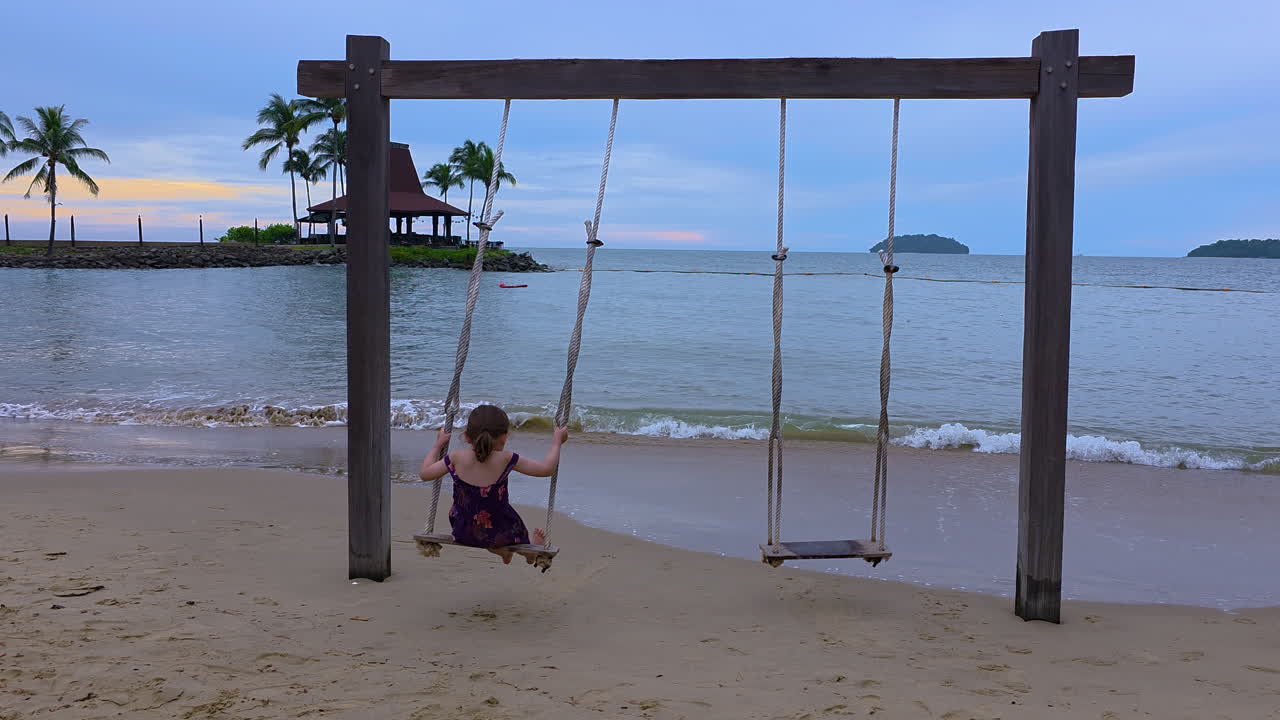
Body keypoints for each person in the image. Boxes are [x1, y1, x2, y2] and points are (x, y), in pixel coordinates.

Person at [419, 404, 568, 564]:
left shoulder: (455, 457)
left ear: (467, 436)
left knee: (479, 526)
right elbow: (547, 469)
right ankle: (527, 551)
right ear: (504, 437)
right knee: (503, 524)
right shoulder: (506, 459)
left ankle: (503, 553)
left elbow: (425, 474)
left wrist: (437, 445)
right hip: (500, 532)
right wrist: (557, 442)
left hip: (463, 532)